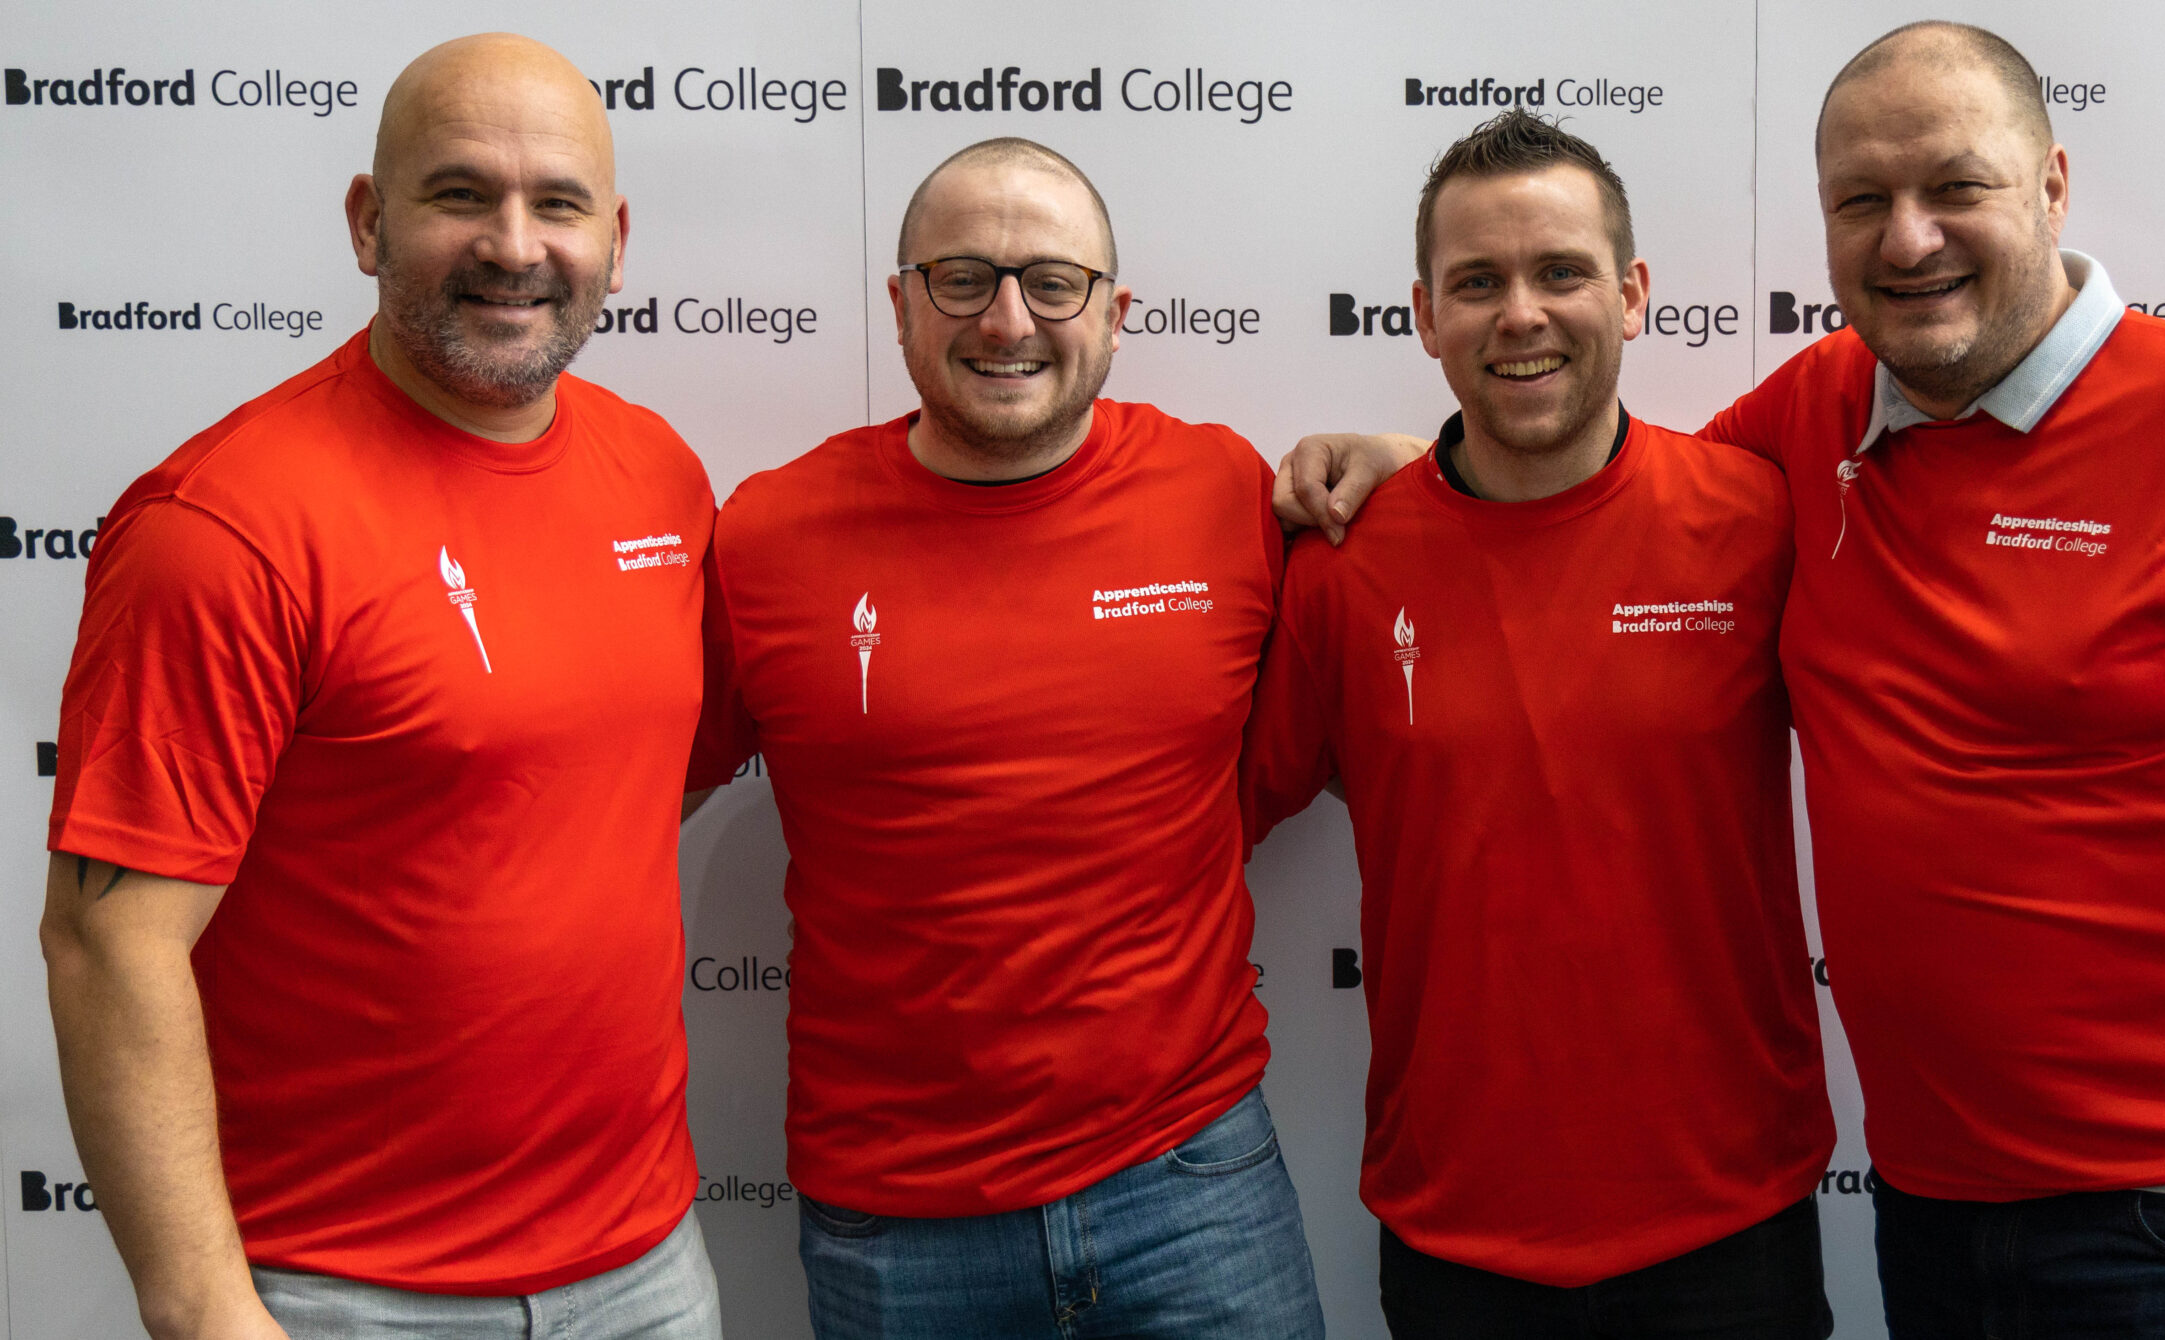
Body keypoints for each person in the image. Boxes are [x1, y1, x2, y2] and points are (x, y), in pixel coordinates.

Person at [1278, 22, 2165, 1339]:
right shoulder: (1817, 417)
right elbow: (1586, 487)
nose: (1909, 238)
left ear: (2051, 186)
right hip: (1935, 1207)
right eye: (1864, 201)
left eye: (1952, 187)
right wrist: (1414, 465)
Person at [40, 34, 722, 1340]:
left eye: (558, 203)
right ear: (368, 221)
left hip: (648, 1269)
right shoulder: (223, 525)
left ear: (617, 244)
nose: (515, 245)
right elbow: (107, 943)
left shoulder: (662, 479)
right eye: (460, 193)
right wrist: (205, 1314)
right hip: (343, 1294)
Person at [682, 138, 1323, 1340]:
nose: (1008, 319)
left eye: (1053, 281)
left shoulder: (1222, 489)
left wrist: (1407, 463)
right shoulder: (766, 535)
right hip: (898, 1221)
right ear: (901, 304)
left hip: (1193, 1184)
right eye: (963, 277)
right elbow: (610, 790)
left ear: (1118, 313)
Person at [1240, 111, 1833, 1339]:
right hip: (1458, 1229)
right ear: (1422, 314)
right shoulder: (1342, 568)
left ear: (1631, 296)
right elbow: (1197, 825)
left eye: (1560, 271)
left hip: (1730, 1218)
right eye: (1477, 282)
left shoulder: (1757, 518)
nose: (1520, 313)